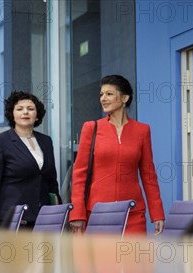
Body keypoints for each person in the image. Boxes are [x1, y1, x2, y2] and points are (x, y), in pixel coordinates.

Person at [70, 75, 165, 235]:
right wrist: (77, 213)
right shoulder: (91, 128)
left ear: (124, 98)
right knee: (101, 260)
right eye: (101, 94)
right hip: (98, 213)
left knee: (133, 259)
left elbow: (149, 176)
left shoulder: (142, 131)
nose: (103, 99)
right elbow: (79, 175)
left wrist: (157, 214)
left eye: (109, 94)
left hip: (133, 214)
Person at [0, 91, 60, 229]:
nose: (25, 112)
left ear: (37, 114)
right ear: (12, 114)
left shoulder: (45, 141)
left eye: (30, 109)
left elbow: (51, 181)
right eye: (19, 109)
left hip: (42, 217)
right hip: (11, 219)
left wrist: (57, 211)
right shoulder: (0, 142)